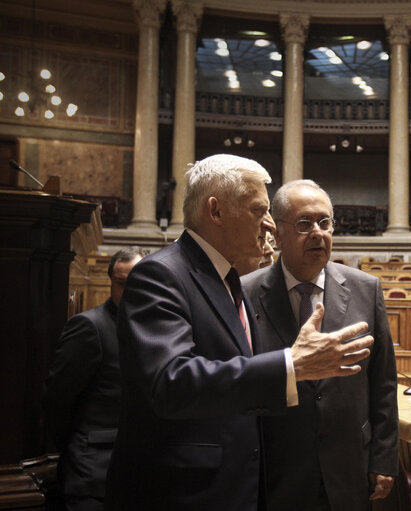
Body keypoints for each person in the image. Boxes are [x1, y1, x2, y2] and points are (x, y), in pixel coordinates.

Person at [104, 155, 374, 511]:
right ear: (215, 212)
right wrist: (291, 365)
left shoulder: (229, 280)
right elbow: (170, 382)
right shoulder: (162, 274)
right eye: (258, 211)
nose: (270, 226)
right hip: (182, 493)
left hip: (235, 487)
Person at [242, 180, 398, 511]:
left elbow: (383, 383)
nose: (317, 232)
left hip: (349, 467)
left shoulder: (366, 289)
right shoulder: (245, 293)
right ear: (278, 234)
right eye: (304, 224)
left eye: (324, 222)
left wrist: (384, 459)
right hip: (275, 470)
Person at [43, 247, 144, 511]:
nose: (128, 292)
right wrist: (74, 448)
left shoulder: (151, 327)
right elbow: (57, 400)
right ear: (112, 281)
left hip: (138, 474)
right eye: (121, 284)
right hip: (92, 475)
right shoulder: (90, 327)